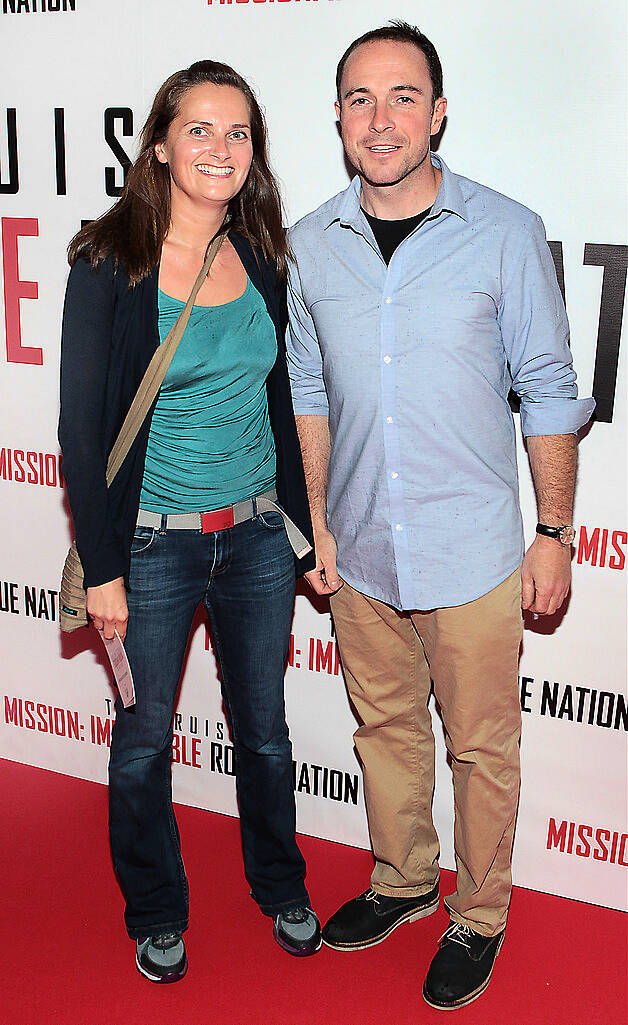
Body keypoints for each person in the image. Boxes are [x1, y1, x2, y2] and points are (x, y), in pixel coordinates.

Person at [286, 21, 594, 1012]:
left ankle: (480, 913)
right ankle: (402, 879)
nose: (381, 120)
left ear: (439, 111)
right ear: (336, 118)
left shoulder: (504, 230)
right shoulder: (305, 247)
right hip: (362, 542)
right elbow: (307, 391)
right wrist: (320, 523)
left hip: (472, 549)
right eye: (361, 100)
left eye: (403, 96)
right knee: (384, 730)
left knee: (480, 745)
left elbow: (548, 386)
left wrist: (553, 531)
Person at [59, 59, 322, 984]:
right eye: (201, 129)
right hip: (151, 546)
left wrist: (306, 524)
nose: (220, 148)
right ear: (162, 145)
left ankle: (279, 881)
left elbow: (284, 399)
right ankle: (157, 907)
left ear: (254, 153)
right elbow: (80, 428)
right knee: (141, 744)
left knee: (265, 730)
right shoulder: (109, 260)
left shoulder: (262, 254)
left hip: (255, 537)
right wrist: (103, 568)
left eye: (239, 132)